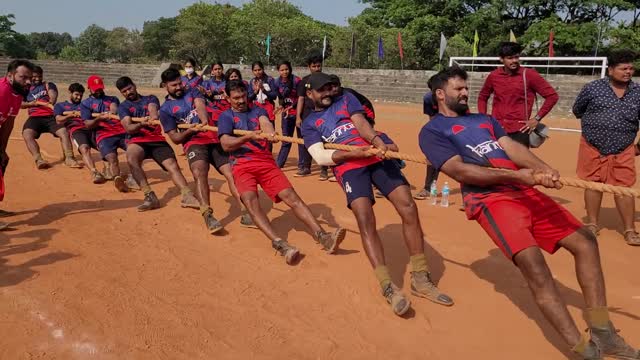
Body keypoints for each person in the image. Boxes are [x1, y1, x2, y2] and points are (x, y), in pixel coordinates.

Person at [419, 66, 639, 359]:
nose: (465, 92)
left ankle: (603, 332)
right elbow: (460, 170)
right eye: (458, 88)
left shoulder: (484, 119)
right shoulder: (432, 131)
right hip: (490, 200)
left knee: (586, 242)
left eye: (465, 87)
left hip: (523, 189)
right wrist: (518, 177)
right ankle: (583, 350)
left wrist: (540, 167)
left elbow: (509, 146)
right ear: (440, 94)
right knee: (536, 267)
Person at [302, 72, 453, 316]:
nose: (329, 92)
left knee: (408, 205)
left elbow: (361, 123)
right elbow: (320, 156)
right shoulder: (309, 123)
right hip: (349, 166)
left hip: (374, 154)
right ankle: (388, 286)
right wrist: (356, 154)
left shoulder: (346, 98)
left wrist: (376, 143)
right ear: (310, 95)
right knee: (364, 218)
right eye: (322, 90)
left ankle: (421, 278)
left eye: (331, 87)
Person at [218, 79, 345, 265]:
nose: (240, 100)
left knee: (292, 197)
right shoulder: (226, 117)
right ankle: (279, 243)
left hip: (265, 162)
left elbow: (266, 123)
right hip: (241, 165)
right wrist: (247, 136)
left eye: (243, 96)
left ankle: (323, 236)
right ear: (228, 98)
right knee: (251, 202)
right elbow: (225, 144)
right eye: (236, 98)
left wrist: (270, 132)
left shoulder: (258, 110)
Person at [159, 68, 254, 234]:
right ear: (165, 86)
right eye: (174, 85)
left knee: (231, 173)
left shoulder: (193, 91)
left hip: (214, 138)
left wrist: (203, 121)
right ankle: (207, 215)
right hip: (194, 143)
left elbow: (200, 105)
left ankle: (246, 211)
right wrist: (191, 131)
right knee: (200, 172)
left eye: (180, 83)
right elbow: (174, 138)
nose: (179, 86)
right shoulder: (165, 109)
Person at [572, 49, 640, 246]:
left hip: (624, 147)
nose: (628, 71)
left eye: (631, 68)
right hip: (592, 144)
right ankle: (592, 224)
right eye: (623, 68)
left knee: (623, 187)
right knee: (593, 184)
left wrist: (638, 147)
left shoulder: (638, 93)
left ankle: (629, 230)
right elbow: (578, 110)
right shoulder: (592, 89)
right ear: (610, 70)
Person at [116, 76, 199, 211]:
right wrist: (141, 123)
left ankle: (187, 196)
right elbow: (128, 128)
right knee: (131, 157)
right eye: (124, 91)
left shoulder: (150, 98)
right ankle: (149, 196)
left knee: (172, 165)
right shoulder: (123, 107)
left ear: (134, 85)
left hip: (156, 139)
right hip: (137, 140)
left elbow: (153, 110)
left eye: (129, 88)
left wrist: (152, 117)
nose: (128, 92)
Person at [477, 42, 558, 147]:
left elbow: (552, 96)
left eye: (516, 57)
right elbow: (483, 97)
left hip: (520, 130)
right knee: (497, 162)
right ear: (501, 59)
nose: (514, 61)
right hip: (497, 129)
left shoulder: (529, 75)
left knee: (519, 163)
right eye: (510, 58)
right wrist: (483, 118)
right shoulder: (494, 76)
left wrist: (536, 118)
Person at [20, 66, 80, 169]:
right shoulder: (25, 89)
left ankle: (69, 158)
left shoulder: (48, 85)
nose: (37, 78)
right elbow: (21, 104)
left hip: (50, 115)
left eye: (40, 76)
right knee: (27, 134)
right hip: (35, 117)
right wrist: (32, 104)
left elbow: (53, 97)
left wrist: (50, 101)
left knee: (64, 132)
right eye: (34, 77)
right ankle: (39, 159)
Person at [0, 59, 34, 230]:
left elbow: (8, 123)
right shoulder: (1, 91)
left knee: (2, 162)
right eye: (23, 77)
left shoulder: (18, 93)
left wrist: (2, 149)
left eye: (30, 78)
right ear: (10, 76)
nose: (27, 82)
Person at [80, 75, 129, 193]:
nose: (98, 91)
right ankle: (117, 179)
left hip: (121, 131)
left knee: (135, 150)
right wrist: (98, 119)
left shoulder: (112, 99)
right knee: (112, 158)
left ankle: (133, 176)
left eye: (100, 88)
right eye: (96, 89)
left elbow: (114, 108)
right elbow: (87, 124)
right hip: (104, 134)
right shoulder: (86, 104)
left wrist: (112, 112)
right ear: (89, 88)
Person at [54, 83, 106, 184]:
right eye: (76, 95)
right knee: (84, 148)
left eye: (81, 95)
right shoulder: (60, 105)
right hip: (76, 130)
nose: (79, 97)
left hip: (91, 128)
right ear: (70, 92)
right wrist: (70, 115)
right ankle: (94, 172)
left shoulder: (85, 105)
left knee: (105, 148)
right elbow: (58, 120)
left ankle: (109, 170)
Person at [294, 54, 323, 178]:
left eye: (318, 66)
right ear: (309, 67)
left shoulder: (326, 80)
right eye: (314, 66)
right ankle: (305, 167)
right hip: (307, 115)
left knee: (324, 141)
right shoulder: (304, 81)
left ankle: (324, 169)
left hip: (322, 115)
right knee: (305, 142)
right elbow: (300, 99)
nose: (317, 68)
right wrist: (298, 117)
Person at [273, 61, 303, 169]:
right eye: (282, 70)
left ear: (290, 69)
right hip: (286, 115)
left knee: (301, 140)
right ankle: (279, 164)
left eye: (286, 69)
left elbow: (301, 97)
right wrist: (281, 106)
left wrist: (293, 106)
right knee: (286, 139)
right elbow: (280, 97)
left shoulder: (297, 80)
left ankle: (302, 165)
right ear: (278, 71)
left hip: (299, 114)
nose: (284, 72)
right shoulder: (277, 82)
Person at [414, 91, 440, 200]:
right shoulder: (428, 98)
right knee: (432, 155)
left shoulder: (454, 96)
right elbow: (432, 119)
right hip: (440, 127)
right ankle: (428, 188)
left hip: (458, 126)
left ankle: (473, 194)